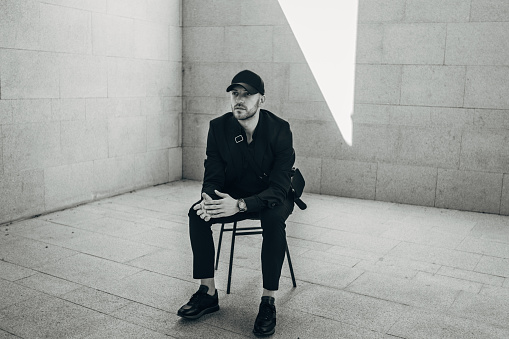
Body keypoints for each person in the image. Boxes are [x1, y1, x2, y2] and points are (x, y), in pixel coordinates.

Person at [177, 70, 296, 337]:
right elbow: (213, 175)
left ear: (261, 99)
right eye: (235, 94)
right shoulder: (219, 128)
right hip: (234, 194)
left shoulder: (280, 129)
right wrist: (209, 200)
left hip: (271, 197)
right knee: (198, 214)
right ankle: (208, 292)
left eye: (247, 94)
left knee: (273, 219)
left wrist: (240, 205)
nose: (239, 100)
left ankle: (268, 300)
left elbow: (278, 188)